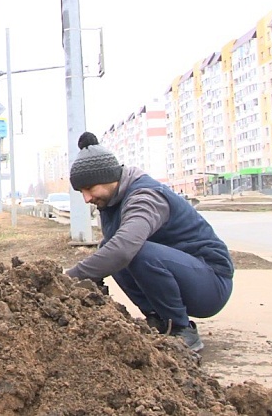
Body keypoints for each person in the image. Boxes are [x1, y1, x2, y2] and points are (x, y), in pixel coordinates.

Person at [64, 132, 233, 351]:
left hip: (210, 283)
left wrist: (69, 278)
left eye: (90, 189)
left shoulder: (145, 197)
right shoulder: (111, 202)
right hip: (184, 274)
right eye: (81, 192)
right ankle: (159, 320)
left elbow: (124, 249)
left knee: (130, 251)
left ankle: (181, 329)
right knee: (109, 248)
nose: (86, 198)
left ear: (109, 178)